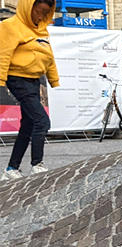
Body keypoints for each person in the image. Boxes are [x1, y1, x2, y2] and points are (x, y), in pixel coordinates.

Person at [0, 0, 59, 181]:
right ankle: (37, 165)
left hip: (34, 81)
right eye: (38, 11)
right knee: (42, 121)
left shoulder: (41, 30)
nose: (40, 16)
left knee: (29, 124)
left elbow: (48, 56)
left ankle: (11, 169)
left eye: (45, 13)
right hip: (17, 79)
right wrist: (1, 80)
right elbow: (3, 54)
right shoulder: (10, 26)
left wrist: (53, 79)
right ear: (29, 7)